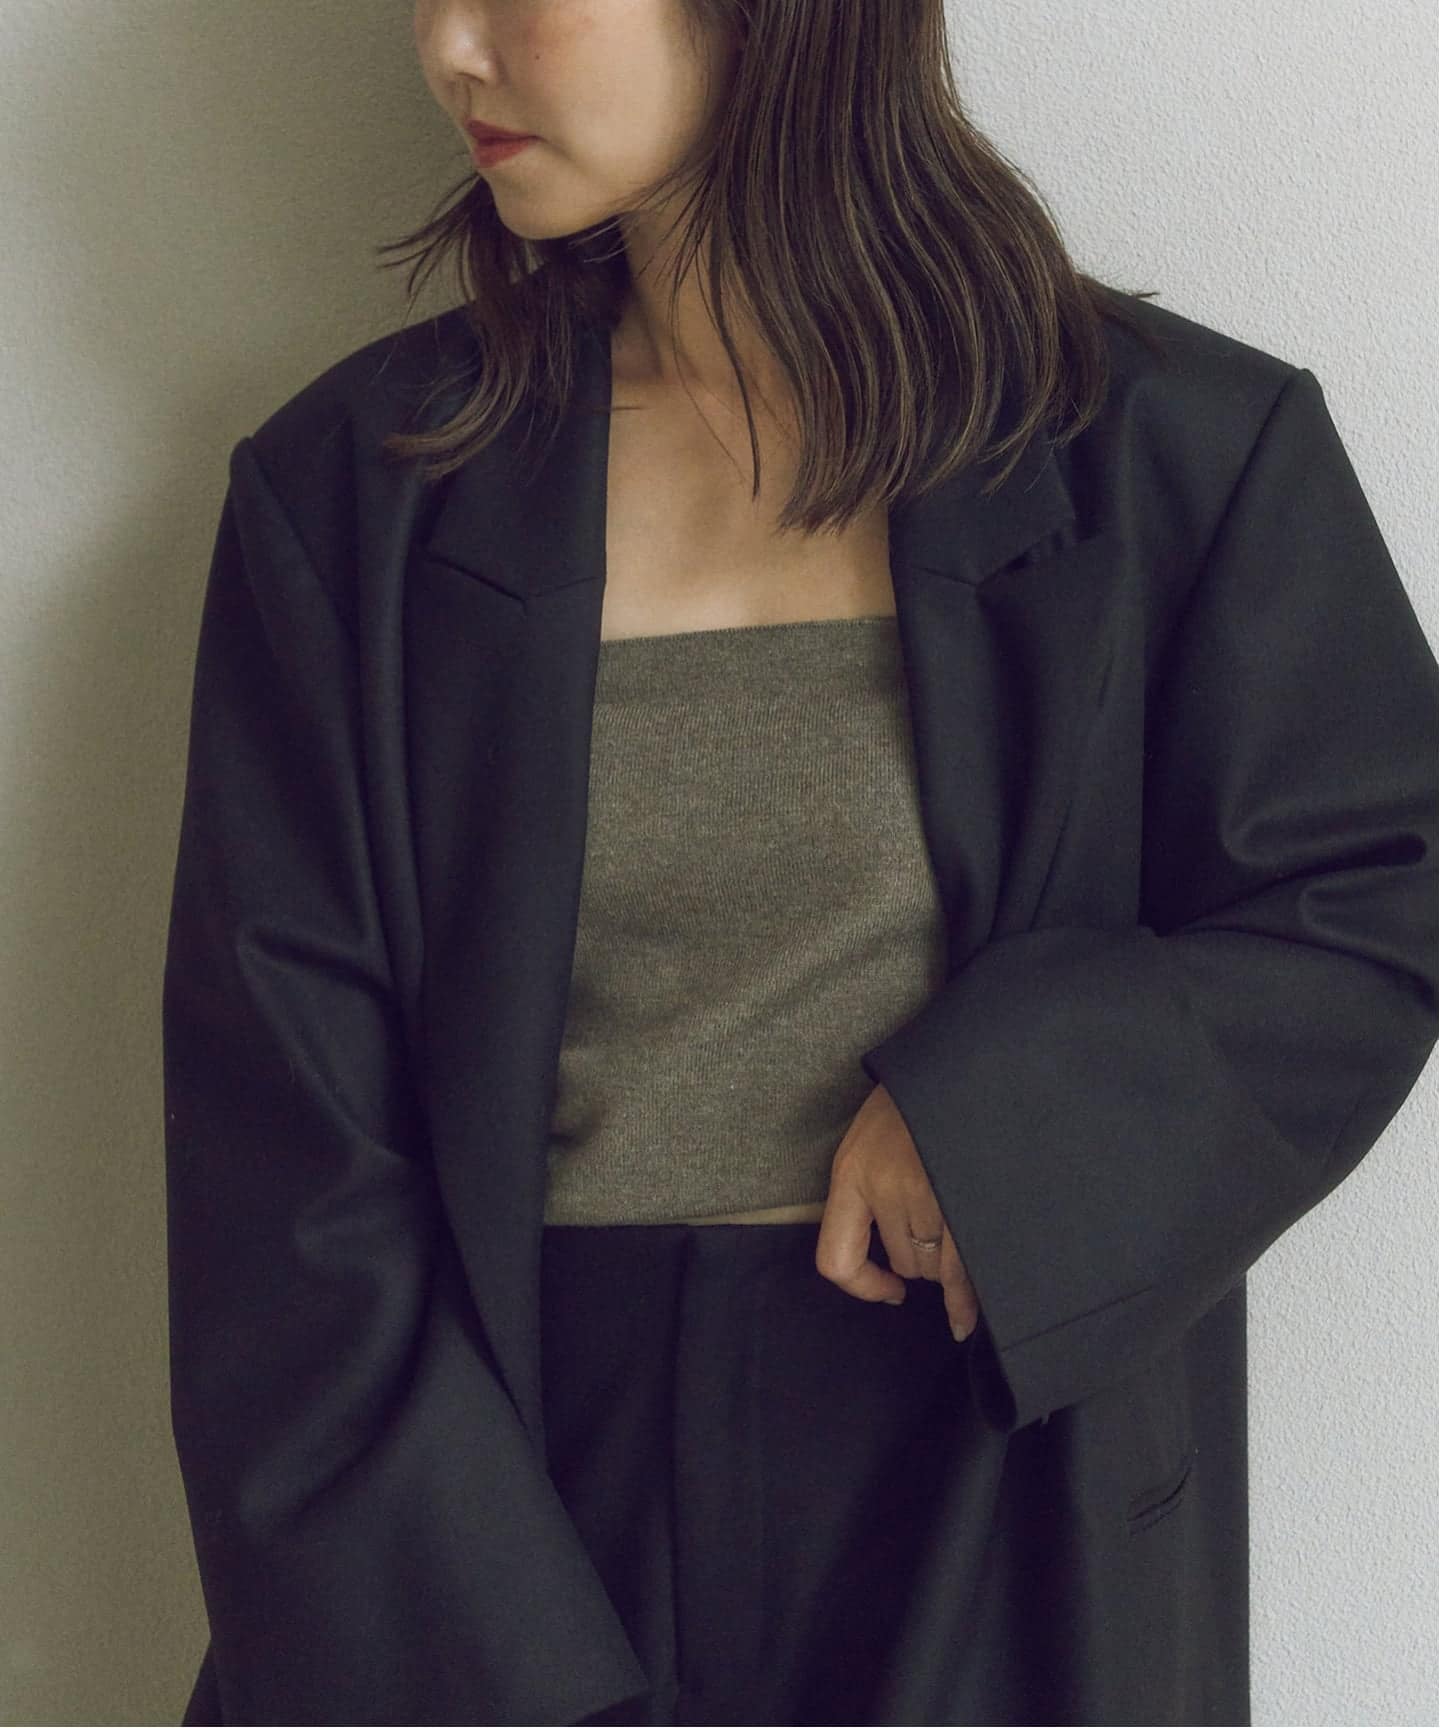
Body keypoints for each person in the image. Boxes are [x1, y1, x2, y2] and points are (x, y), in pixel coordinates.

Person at [162, 2, 1438, 1724]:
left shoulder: (1175, 453)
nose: (449, 48)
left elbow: (1371, 898)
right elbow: (282, 1173)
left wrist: (1001, 1120)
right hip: (495, 1499)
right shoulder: (357, 498)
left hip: (994, 1465)